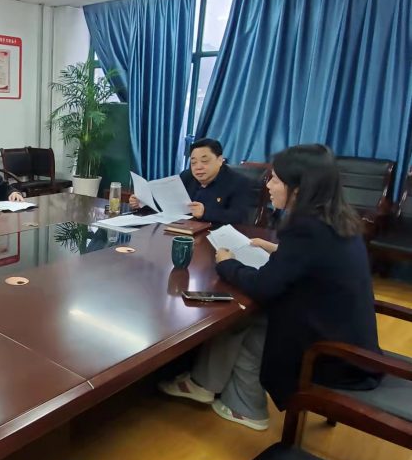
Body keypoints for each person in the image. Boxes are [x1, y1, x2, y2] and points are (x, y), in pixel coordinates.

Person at [159, 144, 381, 430]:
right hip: (350, 339)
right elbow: (319, 261)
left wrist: (226, 262)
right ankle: (206, 384)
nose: (268, 186)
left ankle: (243, 406)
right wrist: (278, 250)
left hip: (329, 353)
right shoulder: (334, 217)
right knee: (245, 315)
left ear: (298, 189)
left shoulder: (306, 228)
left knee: (246, 315)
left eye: (275, 179)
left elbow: (264, 286)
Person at [129, 138, 250, 225]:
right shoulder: (186, 176)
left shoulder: (239, 182)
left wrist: (205, 212)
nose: (198, 167)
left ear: (220, 160)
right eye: (193, 162)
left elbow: (240, 217)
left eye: (204, 161)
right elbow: (167, 204)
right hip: (181, 231)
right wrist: (143, 203)